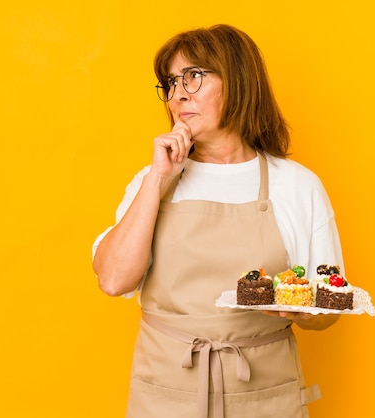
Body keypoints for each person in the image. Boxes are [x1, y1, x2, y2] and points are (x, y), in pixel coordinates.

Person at [91, 24, 344, 418]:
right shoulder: (151, 181)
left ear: (239, 81)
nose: (178, 95)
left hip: (264, 398)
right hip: (166, 396)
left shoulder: (297, 185)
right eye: (171, 83)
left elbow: (329, 301)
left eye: (193, 76)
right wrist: (158, 179)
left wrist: (303, 310)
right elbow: (112, 279)